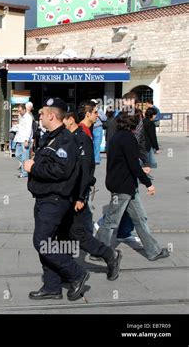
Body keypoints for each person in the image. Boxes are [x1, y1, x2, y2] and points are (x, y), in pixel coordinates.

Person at [24, 98, 89, 301]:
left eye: (42, 113)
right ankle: (52, 286)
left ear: (51, 115)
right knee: (48, 242)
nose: (39, 116)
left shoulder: (65, 140)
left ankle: (76, 273)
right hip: (43, 197)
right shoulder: (49, 137)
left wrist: (33, 167)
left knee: (41, 241)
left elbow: (61, 170)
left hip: (54, 199)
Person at [95, 113, 170, 261]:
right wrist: (148, 183)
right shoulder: (128, 139)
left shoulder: (116, 137)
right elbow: (134, 165)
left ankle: (153, 251)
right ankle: (98, 251)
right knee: (111, 221)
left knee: (140, 219)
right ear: (134, 125)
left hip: (124, 185)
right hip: (123, 185)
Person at [62, 107, 122, 281]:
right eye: (95, 112)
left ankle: (109, 255)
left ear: (70, 119)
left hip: (77, 196)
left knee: (77, 233)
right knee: (66, 232)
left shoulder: (83, 137)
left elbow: (86, 170)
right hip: (67, 195)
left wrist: (81, 196)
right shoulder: (68, 137)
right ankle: (66, 268)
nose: (97, 115)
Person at [14, 104, 33, 178]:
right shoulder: (21, 117)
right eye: (18, 111)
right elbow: (21, 127)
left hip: (25, 139)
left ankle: (24, 173)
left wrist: (26, 140)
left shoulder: (28, 117)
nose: (19, 112)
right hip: (19, 138)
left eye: (20, 111)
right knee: (17, 154)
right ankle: (28, 165)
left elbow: (28, 129)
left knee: (25, 156)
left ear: (24, 110)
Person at [90, 99, 107, 164]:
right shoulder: (93, 110)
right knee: (93, 144)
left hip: (97, 128)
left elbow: (104, 118)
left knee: (96, 144)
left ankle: (96, 159)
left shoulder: (99, 110)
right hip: (92, 128)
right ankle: (95, 158)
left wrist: (99, 114)